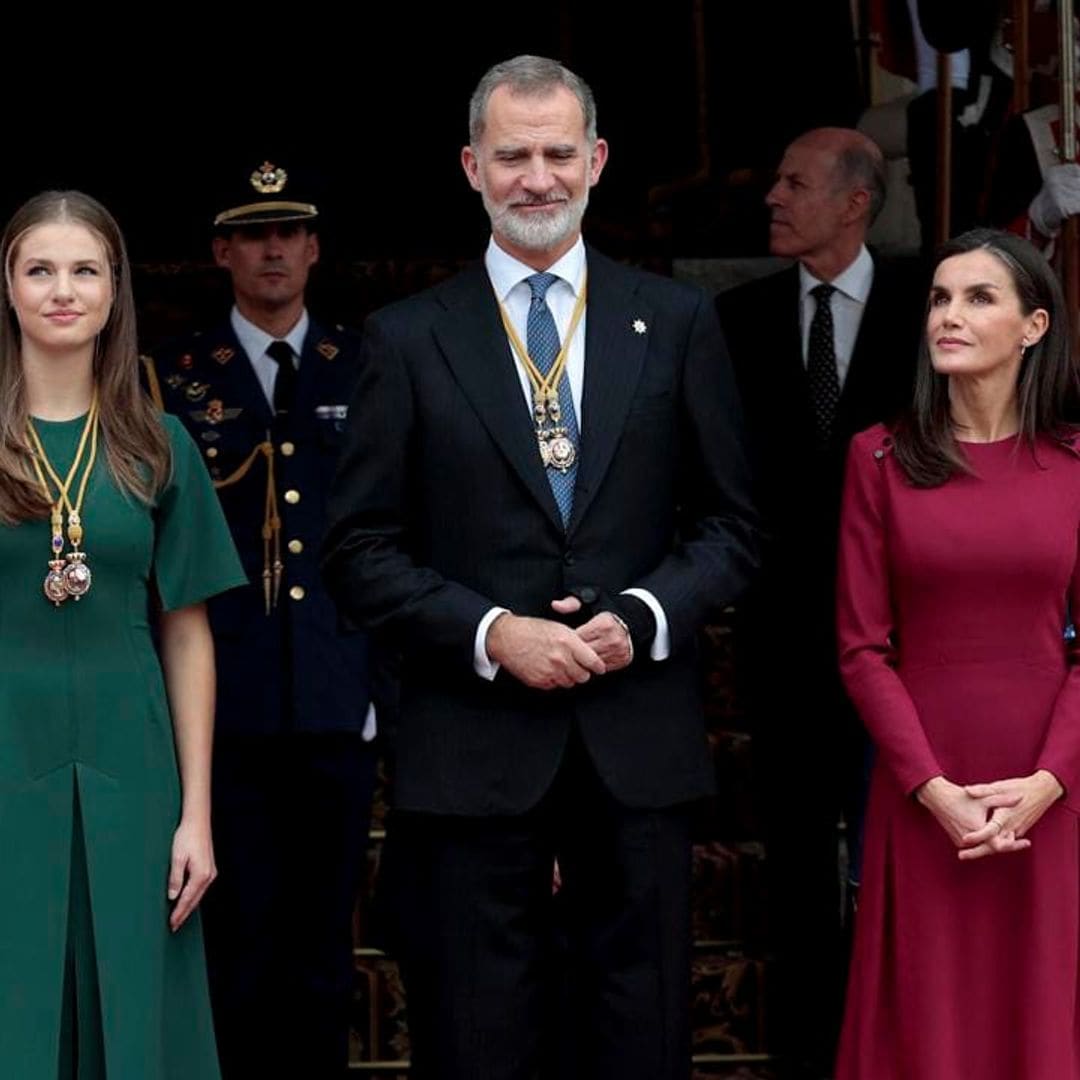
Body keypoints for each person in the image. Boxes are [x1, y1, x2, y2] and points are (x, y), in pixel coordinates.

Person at [321, 54, 759, 1080]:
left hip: (634, 738)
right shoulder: (406, 337)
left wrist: (646, 613)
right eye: (512, 156)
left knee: (640, 1039)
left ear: (598, 160)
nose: (538, 178)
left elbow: (735, 526)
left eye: (559, 153)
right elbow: (356, 551)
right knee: (477, 1039)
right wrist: (491, 632)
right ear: (471, 167)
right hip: (471, 755)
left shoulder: (678, 322)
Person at [0, 190, 244, 1077]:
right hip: (4, 748)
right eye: (40, 269)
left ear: (114, 291)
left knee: (139, 1012)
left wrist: (198, 813)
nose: (62, 290)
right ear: (9, 289)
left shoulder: (161, 445)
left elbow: (188, 634)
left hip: (132, 765)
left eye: (84, 270)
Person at [145, 165, 381, 1079]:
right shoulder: (172, 375)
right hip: (223, 704)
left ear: (316, 248)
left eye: (290, 232)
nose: (274, 248)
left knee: (324, 948)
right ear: (222, 252)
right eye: (252, 234)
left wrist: (375, 686)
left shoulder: (366, 364)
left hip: (334, 694)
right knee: (231, 949)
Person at [835, 228, 1080, 1078]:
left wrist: (1049, 781)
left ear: (1033, 326)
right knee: (928, 1025)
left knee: (1042, 1014)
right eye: (940, 297)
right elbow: (862, 648)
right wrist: (933, 789)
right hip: (925, 785)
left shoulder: (1078, 466)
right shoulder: (877, 459)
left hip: (1053, 791)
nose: (949, 314)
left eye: (979, 298)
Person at [716, 125, 922, 1078]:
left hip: (913, 640)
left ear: (855, 202)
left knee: (907, 857)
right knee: (796, 863)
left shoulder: (930, 306)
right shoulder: (737, 317)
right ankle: (808, 1052)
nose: (773, 198)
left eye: (794, 183)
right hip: (784, 639)